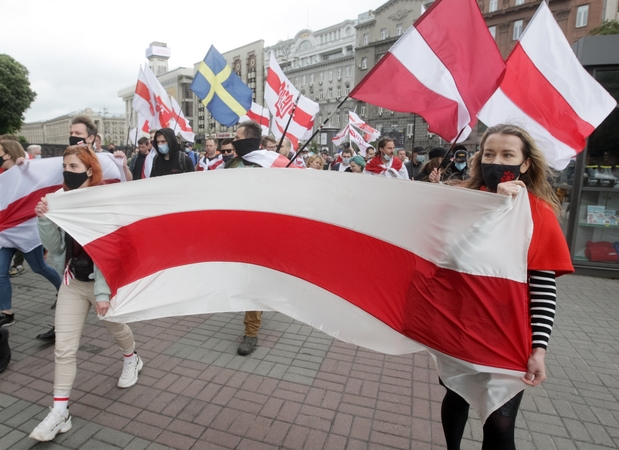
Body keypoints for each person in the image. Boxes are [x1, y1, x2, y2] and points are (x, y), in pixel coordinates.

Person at [432, 124, 573, 450]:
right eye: (490, 154)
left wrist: (539, 349)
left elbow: (543, 288)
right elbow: (446, 258)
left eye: (508, 154)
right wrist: (493, 208)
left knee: (500, 423)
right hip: (460, 327)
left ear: (525, 163)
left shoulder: (539, 213)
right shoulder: (462, 203)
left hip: (509, 335)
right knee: (456, 396)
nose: (497, 161)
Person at [30, 145, 142, 442]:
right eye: (65, 166)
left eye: (75, 167)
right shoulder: (59, 200)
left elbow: (110, 252)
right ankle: (59, 411)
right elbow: (54, 249)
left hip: (101, 284)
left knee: (116, 328)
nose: (68, 171)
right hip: (72, 283)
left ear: (90, 170)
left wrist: (104, 293)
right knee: (64, 348)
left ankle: (131, 357)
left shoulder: (104, 201)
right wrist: (44, 217)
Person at [0, 139, 62, 329]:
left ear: (8, 154)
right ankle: (6, 312)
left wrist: (25, 164)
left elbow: (45, 177)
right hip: (5, 230)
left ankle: (64, 292)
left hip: (26, 230)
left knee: (39, 267)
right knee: (1, 273)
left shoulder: (26, 169)